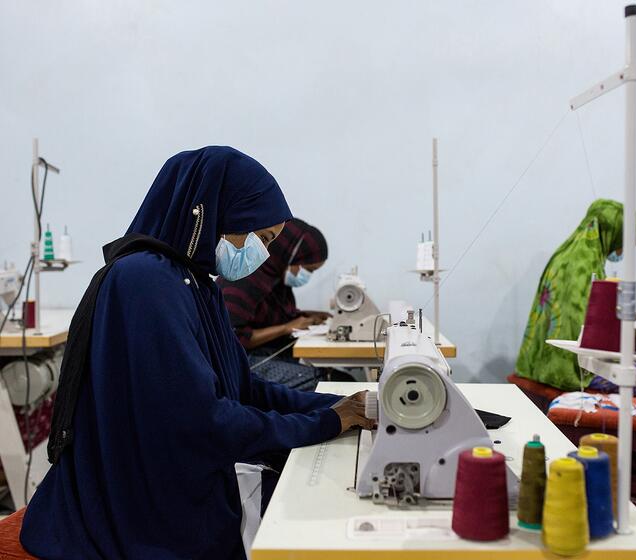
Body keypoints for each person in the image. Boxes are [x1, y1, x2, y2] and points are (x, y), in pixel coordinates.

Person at [19, 147, 372, 560]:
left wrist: (340, 408)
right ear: (215, 213)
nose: (263, 254)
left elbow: (245, 389)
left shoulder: (196, 285)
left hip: (168, 481)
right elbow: (202, 424)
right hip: (139, 511)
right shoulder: (145, 282)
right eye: (262, 238)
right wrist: (326, 422)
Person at [515, 199, 636, 392]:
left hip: (536, 366)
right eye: (624, 245)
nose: (622, 252)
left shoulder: (564, 255)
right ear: (614, 235)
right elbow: (587, 328)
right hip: (567, 371)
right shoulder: (586, 267)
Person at [218, 218, 330, 355]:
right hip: (246, 363)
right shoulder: (244, 279)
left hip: (268, 354)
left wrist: (308, 316)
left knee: (331, 373)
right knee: (325, 375)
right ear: (289, 254)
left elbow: (275, 317)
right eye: (308, 269)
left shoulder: (274, 281)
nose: (307, 275)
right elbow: (232, 337)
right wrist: (286, 328)